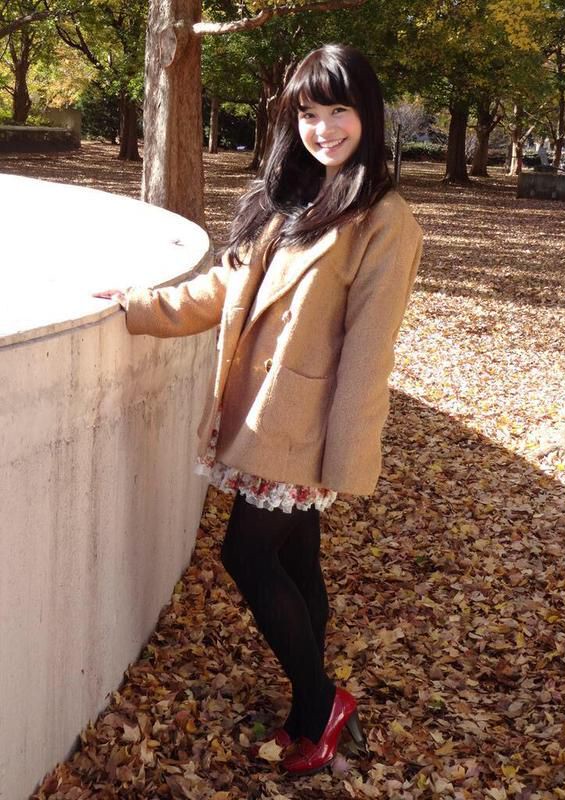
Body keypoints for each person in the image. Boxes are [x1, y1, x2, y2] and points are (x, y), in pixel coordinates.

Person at [94, 43, 423, 776]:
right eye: (309, 113)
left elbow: (369, 354)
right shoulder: (291, 196)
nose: (323, 128)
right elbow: (222, 289)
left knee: (245, 555)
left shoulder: (384, 220)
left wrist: (343, 461)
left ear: (367, 114)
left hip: (301, 427)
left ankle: (321, 702)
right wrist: (137, 306)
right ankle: (312, 706)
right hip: (258, 412)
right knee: (296, 559)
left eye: (338, 110)